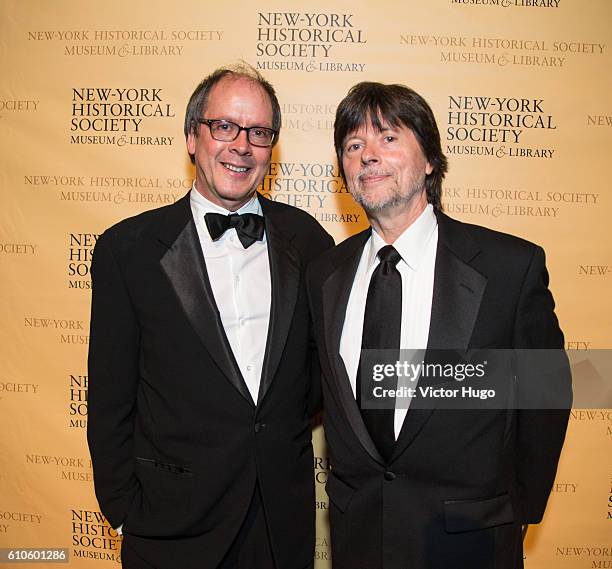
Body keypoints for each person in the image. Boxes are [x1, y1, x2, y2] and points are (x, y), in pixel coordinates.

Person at [306, 82, 571, 569]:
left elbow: (548, 391)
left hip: (470, 542)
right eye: (353, 145)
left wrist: (517, 510)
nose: (368, 155)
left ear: (430, 159)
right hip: (360, 541)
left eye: (388, 138)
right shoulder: (324, 274)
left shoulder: (508, 268)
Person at [87, 64, 333, 569]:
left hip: (278, 522)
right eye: (224, 126)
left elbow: (316, 378)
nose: (242, 145)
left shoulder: (308, 241)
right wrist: (122, 511)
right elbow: (110, 397)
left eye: (259, 133)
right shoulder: (128, 251)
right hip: (170, 525)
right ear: (191, 138)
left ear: (272, 148)